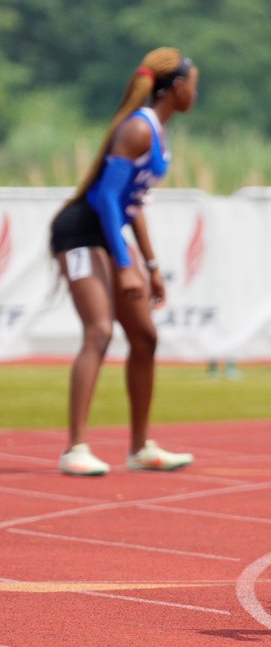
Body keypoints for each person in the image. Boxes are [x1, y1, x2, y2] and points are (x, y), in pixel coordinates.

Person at [49, 48, 198, 477]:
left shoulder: (160, 133)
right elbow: (106, 200)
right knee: (98, 330)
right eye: (193, 85)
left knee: (144, 337)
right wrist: (125, 264)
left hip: (110, 232)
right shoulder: (138, 129)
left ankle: (140, 448)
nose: (195, 93)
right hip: (80, 233)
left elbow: (133, 205)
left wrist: (149, 265)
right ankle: (74, 448)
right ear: (174, 88)